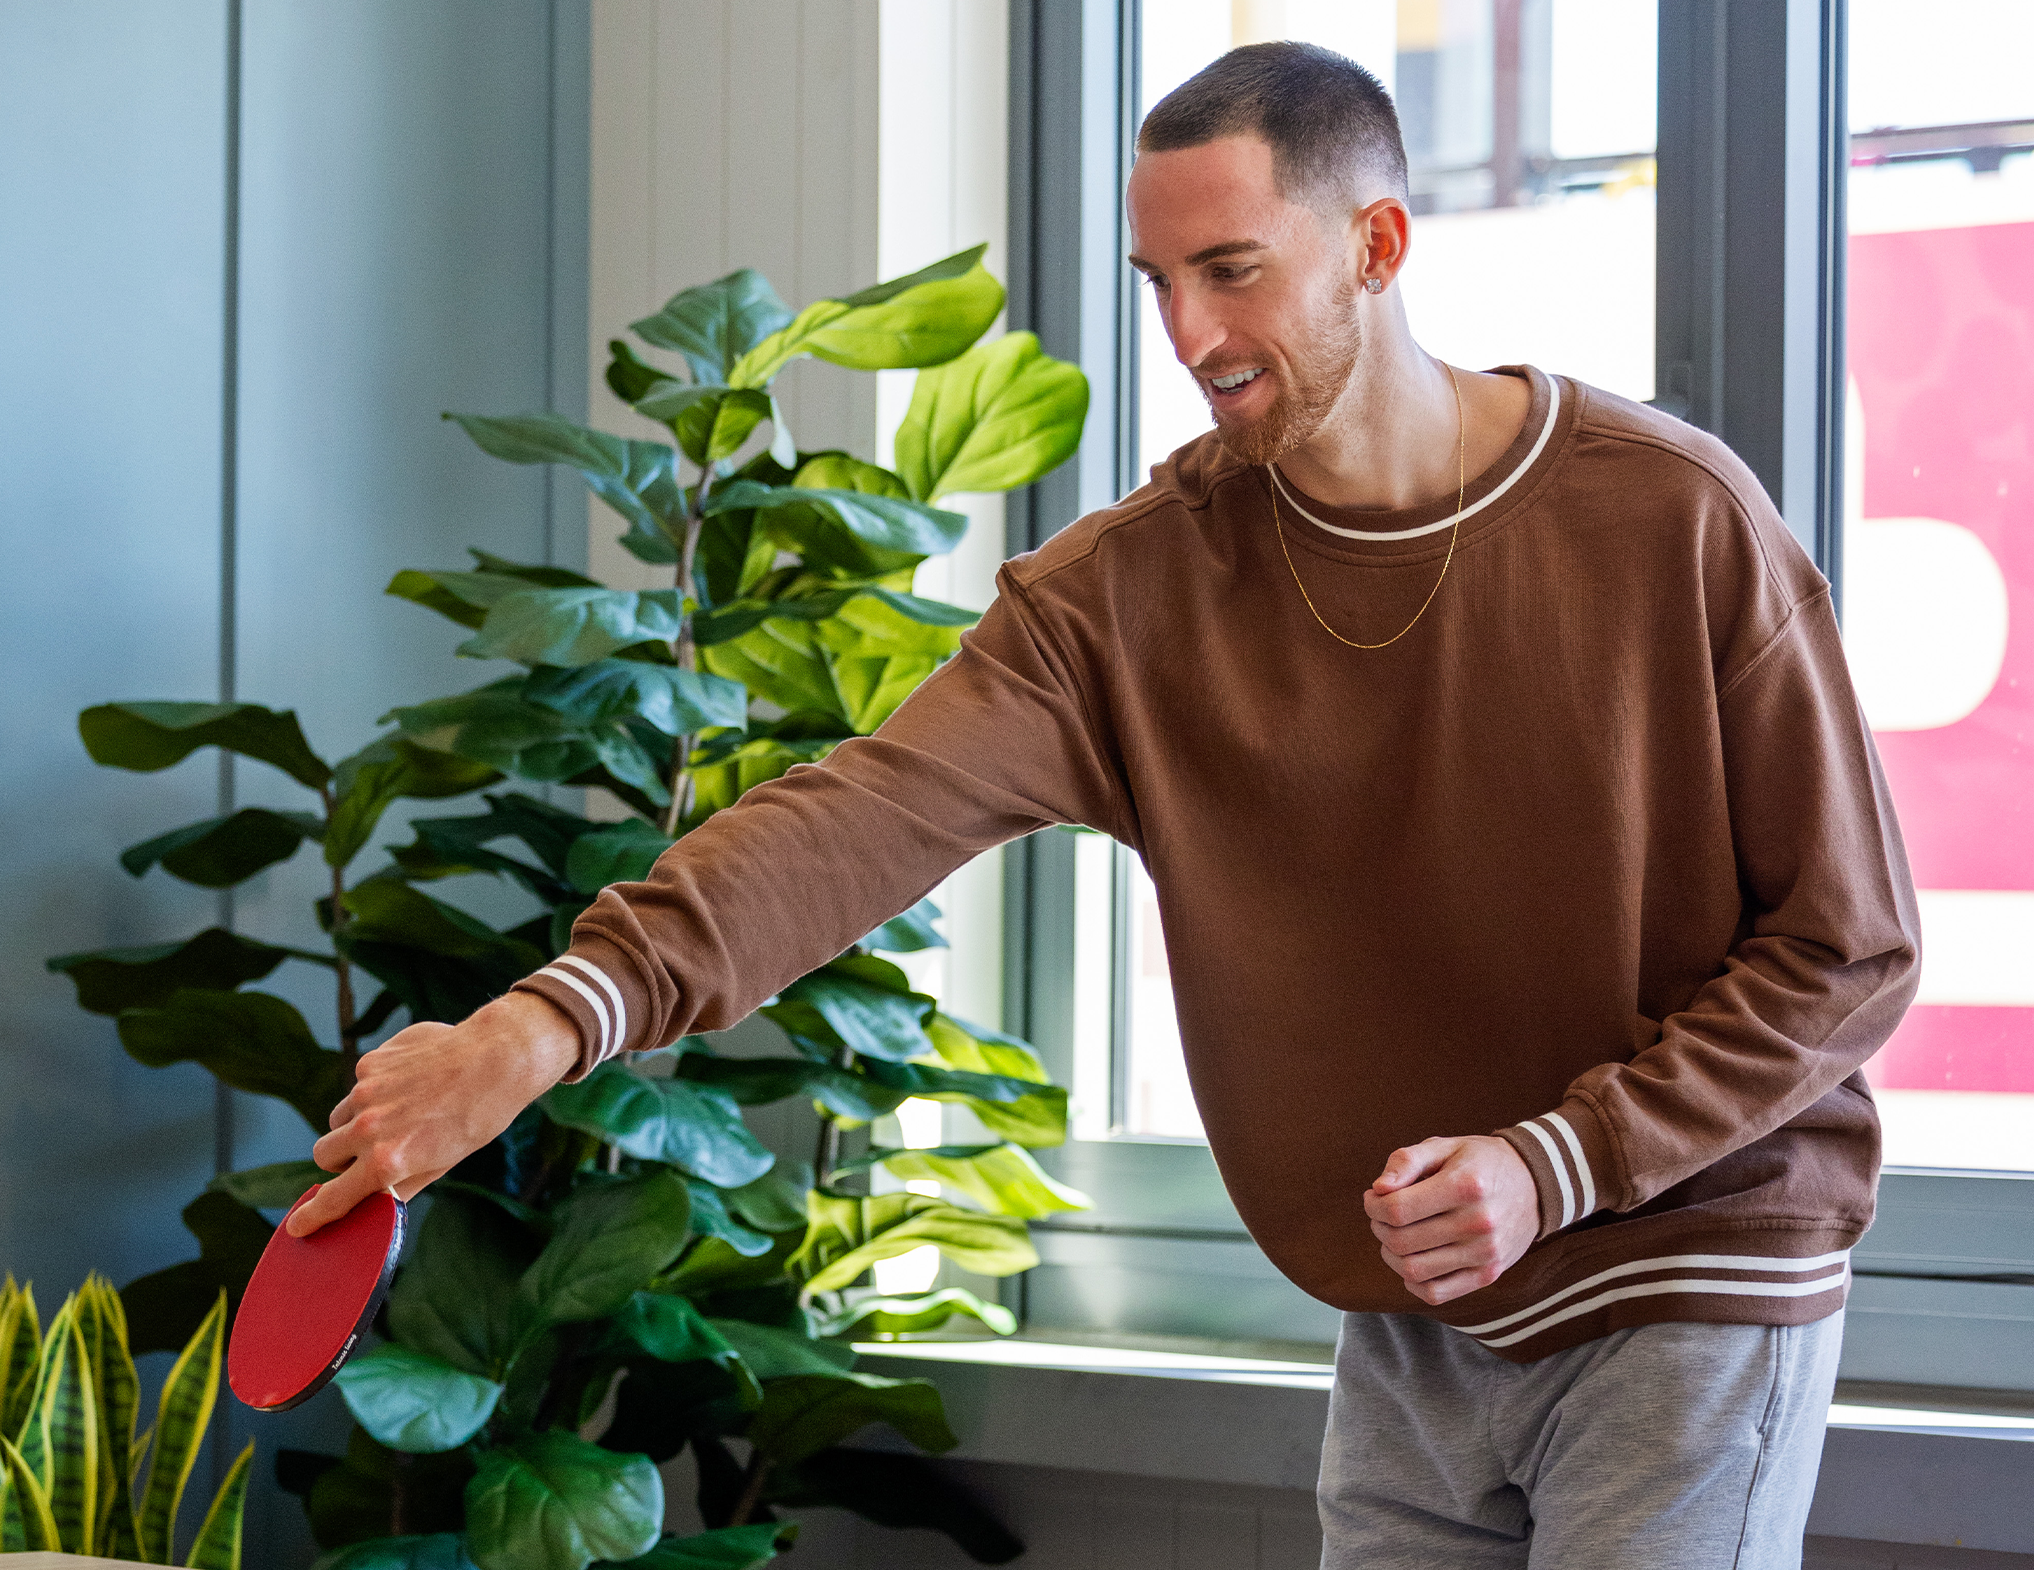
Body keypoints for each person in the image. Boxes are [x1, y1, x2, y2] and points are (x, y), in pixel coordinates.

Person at [294, 41, 1918, 1570]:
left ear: (1376, 243)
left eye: (1235, 271)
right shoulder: (1130, 600)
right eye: (1160, 283)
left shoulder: (1671, 520)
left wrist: (1560, 1162)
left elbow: (1849, 950)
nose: (1192, 337)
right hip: (1417, 1303)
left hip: (1685, 1270)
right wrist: (536, 1028)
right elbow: (855, 817)